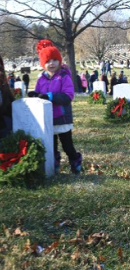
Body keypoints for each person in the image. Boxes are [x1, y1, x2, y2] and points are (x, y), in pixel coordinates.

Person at [28, 40, 82, 174]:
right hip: (47, 118)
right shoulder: (41, 78)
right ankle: (54, 162)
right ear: (43, 64)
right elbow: (40, 95)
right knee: (51, 146)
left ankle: (75, 160)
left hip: (61, 117)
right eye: (47, 61)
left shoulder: (64, 76)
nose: (51, 63)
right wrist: (36, 95)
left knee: (67, 145)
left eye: (54, 60)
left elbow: (68, 95)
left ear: (59, 61)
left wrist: (50, 96)